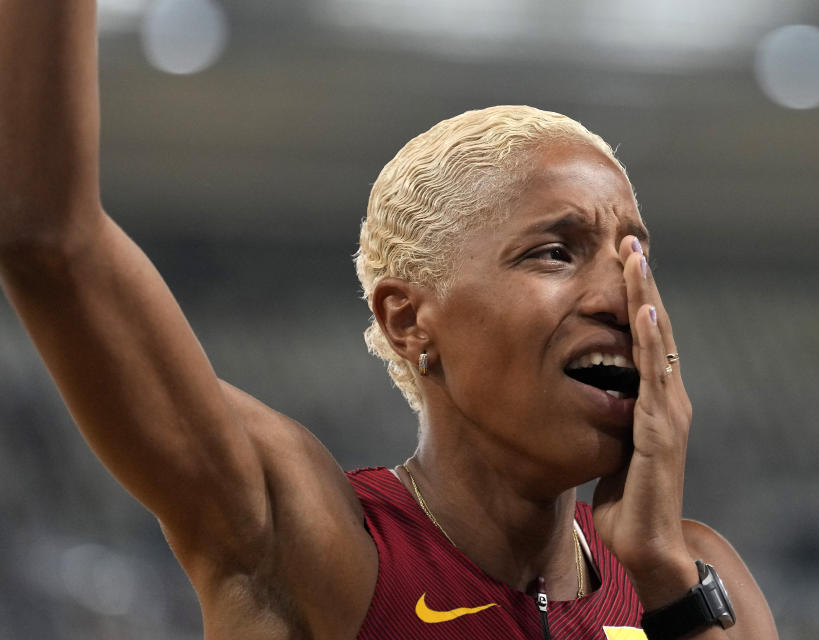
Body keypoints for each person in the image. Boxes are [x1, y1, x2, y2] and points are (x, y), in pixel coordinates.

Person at [0, 2, 778, 639]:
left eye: (634, 256)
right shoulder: (311, 543)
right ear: (409, 320)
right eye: (554, 253)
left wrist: (668, 586)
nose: (621, 297)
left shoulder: (700, 578)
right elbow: (47, 239)